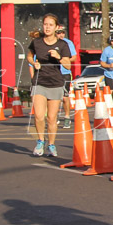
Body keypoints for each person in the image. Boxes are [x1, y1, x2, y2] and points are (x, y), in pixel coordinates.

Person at [25, 14, 71, 157]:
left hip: (56, 83)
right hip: (39, 82)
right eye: (45, 24)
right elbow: (29, 55)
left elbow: (68, 66)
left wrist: (58, 57)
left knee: (51, 118)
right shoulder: (37, 42)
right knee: (39, 116)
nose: (47, 27)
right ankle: (40, 141)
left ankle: (51, 144)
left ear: (57, 28)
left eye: (51, 25)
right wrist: (34, 63)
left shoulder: (63, 45)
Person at [55, 25, 78, 129]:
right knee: (53, 97)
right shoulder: (51, 43)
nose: (61, 35)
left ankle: (67, 117)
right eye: (59, 32)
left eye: (63, 32)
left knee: (65, 97)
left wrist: (63, 59)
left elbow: (74, 57)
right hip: (53, 73)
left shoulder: (68, 43)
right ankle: (54, 117)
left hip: (65, 72)